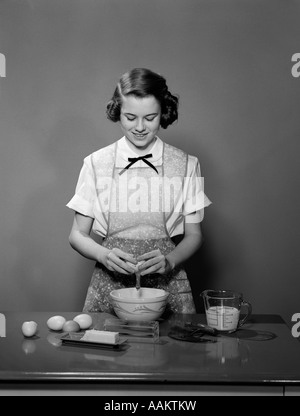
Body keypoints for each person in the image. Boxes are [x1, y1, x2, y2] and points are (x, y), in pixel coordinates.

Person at [67, 68, 211, 315]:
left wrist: (169, 261)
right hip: (109, 284)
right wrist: (103, 255)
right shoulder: (95, 163)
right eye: (130, 117)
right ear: (117, 112)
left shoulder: (187, 164)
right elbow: (77, 235)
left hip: (168, 285)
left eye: (150, 117)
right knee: (102, 352)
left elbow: (194, 235)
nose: (140, 127)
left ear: (163, 113)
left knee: (177, 351)